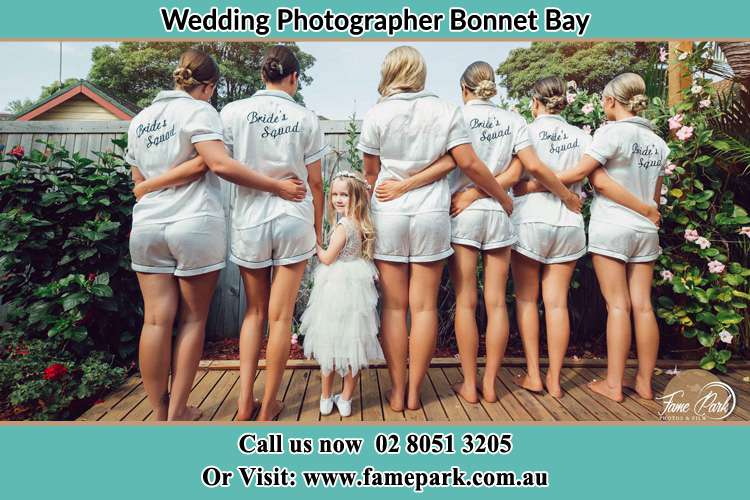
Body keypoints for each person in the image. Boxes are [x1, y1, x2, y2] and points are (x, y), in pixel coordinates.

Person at [126, 48, 304, 421]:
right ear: (208, 87)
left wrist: (151, 186)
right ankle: (178, 411)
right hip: (192, 223)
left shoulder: (140, 119)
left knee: (155, 320)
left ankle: (160, 413)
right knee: (192, 319)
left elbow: (138, 181)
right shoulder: (200, 111)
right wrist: (277, 186)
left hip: (146, 226)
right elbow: (219, 164)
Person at [358, 46, 519, 412]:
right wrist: (502, 197)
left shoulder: (375, 114)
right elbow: (466, 163)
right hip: (432, 213)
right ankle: (416, 392)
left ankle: (397, 392)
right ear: (420, 73)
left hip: (390, 212)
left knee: (394, 309)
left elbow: (371, 174)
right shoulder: (446, 110)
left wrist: (394, 187)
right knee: (425, 307)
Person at [514, 73, 667, 402]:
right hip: (600, 227)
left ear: (534, 103)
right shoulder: (656, 143)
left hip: (557, 221)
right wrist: (647, 210)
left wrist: (530, 185)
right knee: (634, 306)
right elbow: (654, 195)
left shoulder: (530, 132)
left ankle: (535, 375)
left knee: (531, 300)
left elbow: (595, 179)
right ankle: (563, 380)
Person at [446, 65, 583, 404]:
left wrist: (471, 192)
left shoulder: (453, 117)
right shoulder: (514, 121)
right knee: (496, 303)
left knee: (466, 302)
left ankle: (469, 384)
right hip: (500, 213)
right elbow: (518, 169)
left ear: (464, 88)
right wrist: (498, 193)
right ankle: (491, 384)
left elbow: (453, 163)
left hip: (463, 213)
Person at [219, 45, 327, 420]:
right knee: (281, 318)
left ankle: (244, 401)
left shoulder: (233, 113)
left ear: (263, 75)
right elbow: (316, 184)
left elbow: (225, 166)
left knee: (254, 313)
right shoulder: (306, 118)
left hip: (250, 219)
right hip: (294, 218)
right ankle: (268, 408)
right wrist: (317, 231)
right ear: (294, 77)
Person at [300, 171, 383, 418]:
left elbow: (326, 258)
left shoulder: (342, 227)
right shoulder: (361, 224)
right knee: (353, 343)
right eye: (334, 194)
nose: (337, 199)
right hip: (357, 288)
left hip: (337, 288)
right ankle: (345, 399)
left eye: (343, 195)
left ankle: (326, 398)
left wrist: (314, 242)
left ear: (355, 197)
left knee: (330, 342)